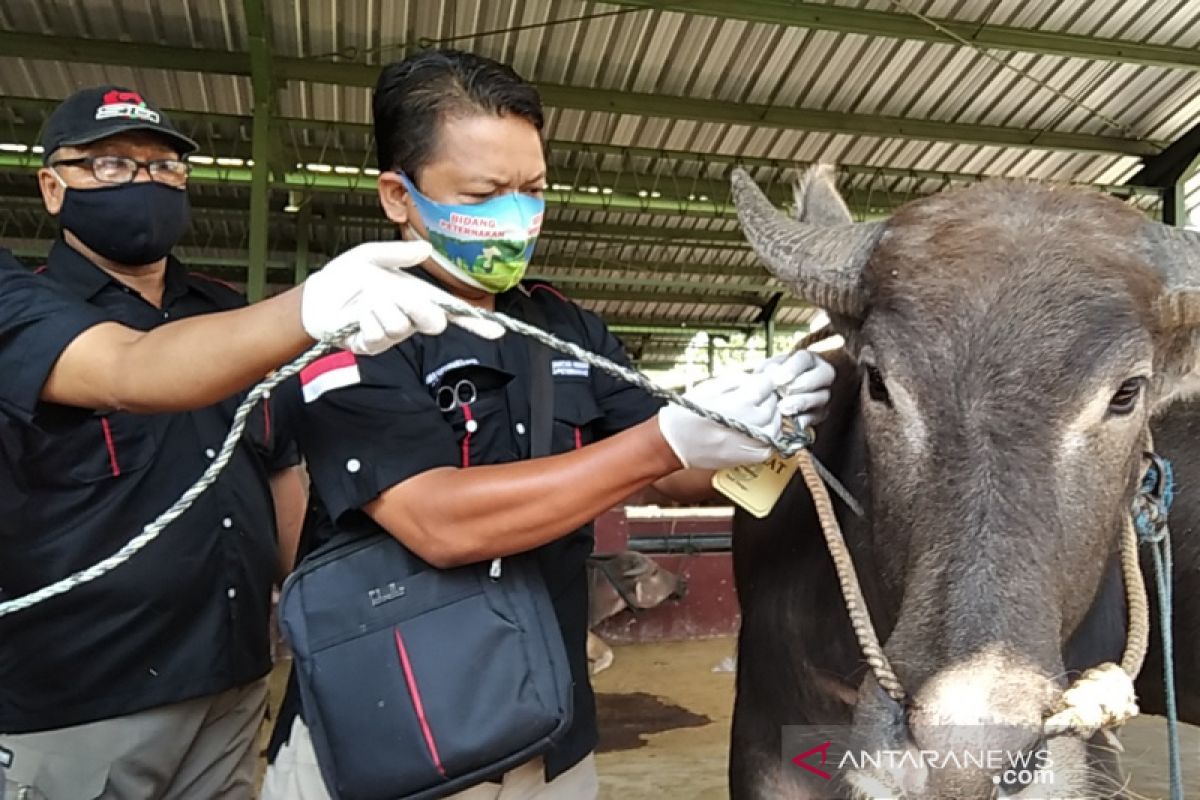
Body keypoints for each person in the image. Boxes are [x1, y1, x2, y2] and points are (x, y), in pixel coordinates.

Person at [262, 50, 835, 800]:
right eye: (484, 192)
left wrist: (766, 425)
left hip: (546, 731)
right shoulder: (352, 332)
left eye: (531, 190)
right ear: (398, 196)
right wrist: (662, 441)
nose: (515, 214)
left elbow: (673, 472)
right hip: (395, 733)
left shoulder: (565, 328)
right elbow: (439, 522)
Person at [0, 86, 503, 800]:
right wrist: (311, 304)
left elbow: (280, 469)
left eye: (164, 168)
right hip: (81, 700)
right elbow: (130, 368)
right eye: (112, 166)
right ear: (53, 186)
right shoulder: (26, 310)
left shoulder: (229, 316)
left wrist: (316, 614)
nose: (145, 183)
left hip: (232, 682)